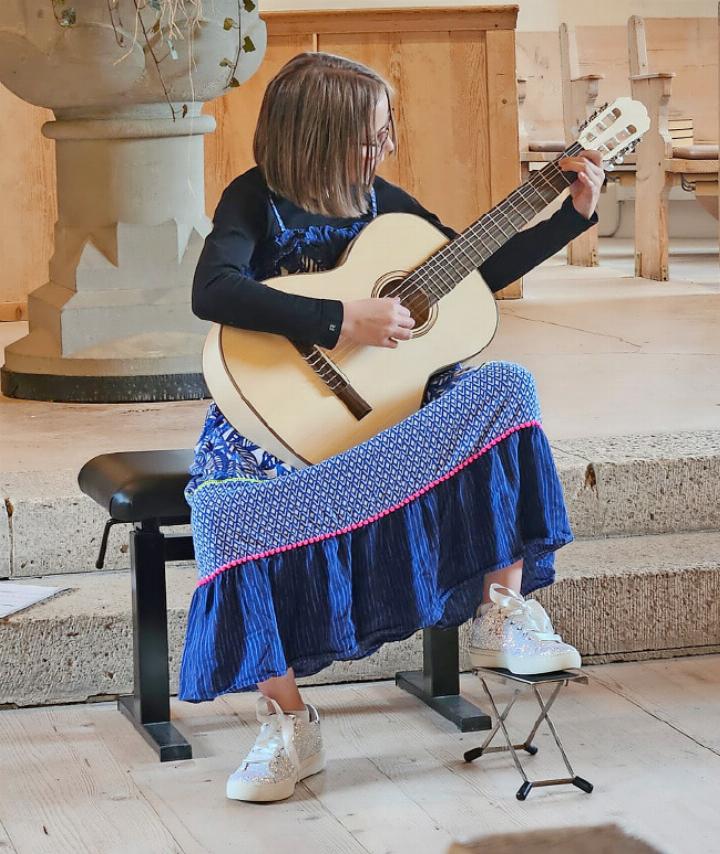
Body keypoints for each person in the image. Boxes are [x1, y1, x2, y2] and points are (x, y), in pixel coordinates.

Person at [177, 52, 605, 803]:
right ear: (318, 135)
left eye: (387, 132)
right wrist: (339, 318)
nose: (388, 147)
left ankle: (502, 613)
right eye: (373, 135)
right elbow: (212, 291)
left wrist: (570, 215)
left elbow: (475, 270)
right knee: (222, 510)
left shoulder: (385, 204)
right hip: (276, 428)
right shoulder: (255, 200)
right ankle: (289, 724)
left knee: (507, 386)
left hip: (394, 422)